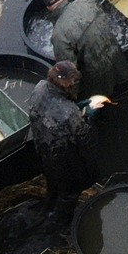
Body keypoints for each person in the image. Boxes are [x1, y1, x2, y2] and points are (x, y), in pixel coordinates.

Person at [28, 60, 109, 228]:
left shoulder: (39, 88)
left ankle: (48, 205)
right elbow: (84, 138)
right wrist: (88, 117)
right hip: (64, 158)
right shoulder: (70, 113)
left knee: (52, 181)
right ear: (64, 81)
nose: (73, 83)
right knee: (69, 193)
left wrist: (73, 106)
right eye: (72, 80)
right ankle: (61, 223)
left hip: (43, 149)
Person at [49, 0, 128, 99]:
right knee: (125, 89)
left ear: (49, 8)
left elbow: (69, 71)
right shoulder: (85, 0)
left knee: (103, 101)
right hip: (117, 57)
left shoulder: (58, 33)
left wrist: (73, 96)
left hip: (98, 76)